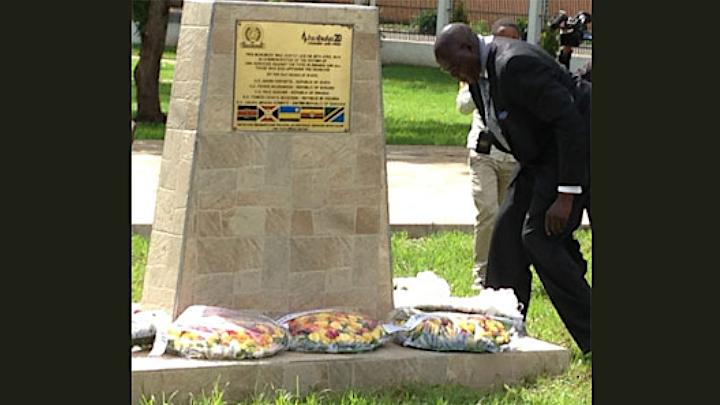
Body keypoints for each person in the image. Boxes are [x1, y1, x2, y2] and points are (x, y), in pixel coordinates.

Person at [434, 23, 592, 354]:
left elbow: (569, 122)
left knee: (539, 237)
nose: (453, 75)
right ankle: (502, 327)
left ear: (467, 48)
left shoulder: (513, 64)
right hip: (541, 157)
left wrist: (566, 194)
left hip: (575, 148)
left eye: (452, 67)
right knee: (506, 235)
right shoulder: (479, 74)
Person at [456, 18, 520, 289]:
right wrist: (476, 81)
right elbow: (461, 107)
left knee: (507, 221)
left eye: (512, 40)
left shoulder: (521, 67)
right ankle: (481, 275)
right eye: (501, 39)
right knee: (488, 210)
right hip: (484, 153)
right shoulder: (474, 70)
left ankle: (504, 274)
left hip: (514, 158)